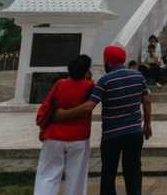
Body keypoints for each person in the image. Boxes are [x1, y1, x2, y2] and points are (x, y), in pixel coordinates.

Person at [54, 46, 152, 195]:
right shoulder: (138, 76)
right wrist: (148, 124)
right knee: (133, 170)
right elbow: (146, 101)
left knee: (108, 173)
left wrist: (63, 114)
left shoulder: (105, 80)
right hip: (134, 132)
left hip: (112, 135)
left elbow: (89, 106)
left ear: (108, 62)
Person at [34, 55, 95, 195]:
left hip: (54, 135)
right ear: (87, 71)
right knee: (76, 178)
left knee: (48, 176)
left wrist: (43, 127)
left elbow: (46, 107)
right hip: (79, 137)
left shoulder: (60, 84)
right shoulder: (90, 86)